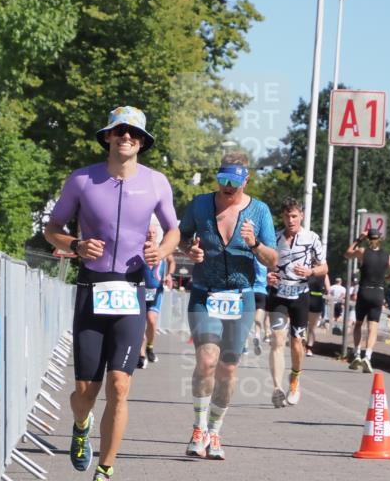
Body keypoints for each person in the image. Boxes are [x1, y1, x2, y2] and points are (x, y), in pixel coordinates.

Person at [44, 106, 180, 481]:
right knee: (85, 390)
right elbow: (53, 229)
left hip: (131, 291)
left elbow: (174, 231)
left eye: (134, 134)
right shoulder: (83, 179)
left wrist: (161, 250)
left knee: (120, 386)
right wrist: (75, 244)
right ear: (107, 137)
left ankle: (104, 473)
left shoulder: (156, 183)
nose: (127, 138)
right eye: (120, 131)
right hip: (92, 286)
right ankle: (81, 423)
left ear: (142, 142)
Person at [179, 153, 278, 459]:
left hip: (241, 296)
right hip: (204, 293)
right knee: (207, 361)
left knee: (229, 367)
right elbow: (182, 238)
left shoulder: (259, 211)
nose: (227, 187)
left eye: (234, 182)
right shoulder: (199, 205)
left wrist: (253, 244)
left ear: (246, 180)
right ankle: (198, 428)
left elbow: (273, 259)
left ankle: (215, 430)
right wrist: (190, 251)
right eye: (222, 180)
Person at [266, 197, 328, 407]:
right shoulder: (274, 238)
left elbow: (324, 268)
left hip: (300, 295)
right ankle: (277, 388)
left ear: (301, 215)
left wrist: (311, 271)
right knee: (277, 339)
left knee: (296, 343)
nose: (290, 220)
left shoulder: (311, 238)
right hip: (278, 295)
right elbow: (266, 264)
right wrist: (268, 275)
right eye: (286, 216)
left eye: (294, 216)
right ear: (282, 217)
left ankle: (295, 377)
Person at [345, 228, 390, 373]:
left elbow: (347, 253)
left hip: (364, 291)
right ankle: (367, 356)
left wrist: (359, 239)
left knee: (358, 324)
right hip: (378, 293)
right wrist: (385, 279)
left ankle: (357, 353)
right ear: (380, 239)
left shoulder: (362, 252)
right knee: (373, 327)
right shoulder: (387, 256)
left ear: (368, 238)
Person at [137, 218, 176, 370]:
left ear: (157, 234)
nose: (151, 235)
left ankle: (150, 347)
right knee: (139, 323)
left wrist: (169, 275)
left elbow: (172, 262)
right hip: (139, 291)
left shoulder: (162, 249)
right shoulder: (139, 249)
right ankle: (140, 355)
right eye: (148, 232)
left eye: (153, 232)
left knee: (151, 320)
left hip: (156, 291)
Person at [305, 273, 330, 357]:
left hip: (306, 297)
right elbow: (328, 289)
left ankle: (301, 344)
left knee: (303, 324)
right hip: (317, 299)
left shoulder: (307, 271)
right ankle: (309, 348)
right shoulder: (324, 274)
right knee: (312, 327)